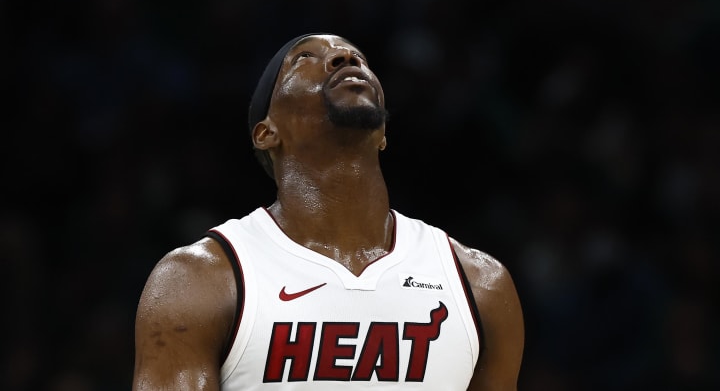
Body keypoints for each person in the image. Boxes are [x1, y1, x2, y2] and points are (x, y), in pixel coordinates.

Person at [132, 32, 524, 391]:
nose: (343, 57)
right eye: (304, 58)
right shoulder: (201, 279)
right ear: (266, 132)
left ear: (384, 133)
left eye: (358, 58)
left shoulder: (479, 284)